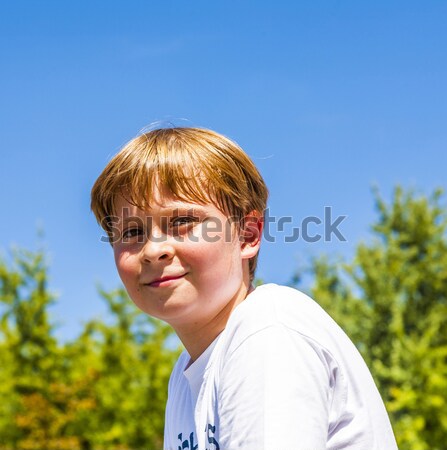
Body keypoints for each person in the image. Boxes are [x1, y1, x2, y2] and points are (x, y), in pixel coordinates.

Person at [91, 127, 397, 450]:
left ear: (248, 235)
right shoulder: (184, 379)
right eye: (132, 231)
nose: (154, 250)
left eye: (181, 222)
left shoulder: (267, 328)